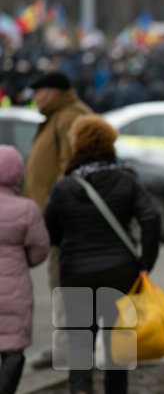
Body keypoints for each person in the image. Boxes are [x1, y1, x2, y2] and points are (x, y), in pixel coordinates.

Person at [44, 115, 161, 394]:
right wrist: (146, 263)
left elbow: (52, 232)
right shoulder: (126, 179)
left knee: (79, 348)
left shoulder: (63, 187)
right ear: (110, 143)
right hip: (120, 275)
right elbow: (151, 217)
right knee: (117, 351)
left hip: (75, 274)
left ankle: (81, 390)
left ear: (77, 145)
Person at [24, 71, 93, 370]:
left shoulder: (68, 117)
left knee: (67, 289)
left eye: (39, 92)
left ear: (53, 92)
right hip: (58, 222)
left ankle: (70, 352)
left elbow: (72, 169)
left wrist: (58, 212)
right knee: (63, 289)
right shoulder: (59, 117)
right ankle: (67, 348)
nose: (35, 98)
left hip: (64, 224)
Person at [0, 146, 50, 394]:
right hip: (14, 288)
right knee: (13, 348)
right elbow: (40, 248)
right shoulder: (26, 209)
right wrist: (23, 261)